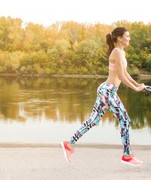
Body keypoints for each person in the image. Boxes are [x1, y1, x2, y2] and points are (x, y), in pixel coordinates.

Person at [61, 27, 145, 166]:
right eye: (127, 36)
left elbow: (126, 73)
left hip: (107, 91)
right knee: (125, 120)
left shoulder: (121, 52)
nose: (129, 39)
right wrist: (135, 89)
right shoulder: (117, 52)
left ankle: (69, 144)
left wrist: (138, 84)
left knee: (93, 120)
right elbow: (120, 76)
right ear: (119, 38)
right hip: (108, 91)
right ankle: (127, 155)